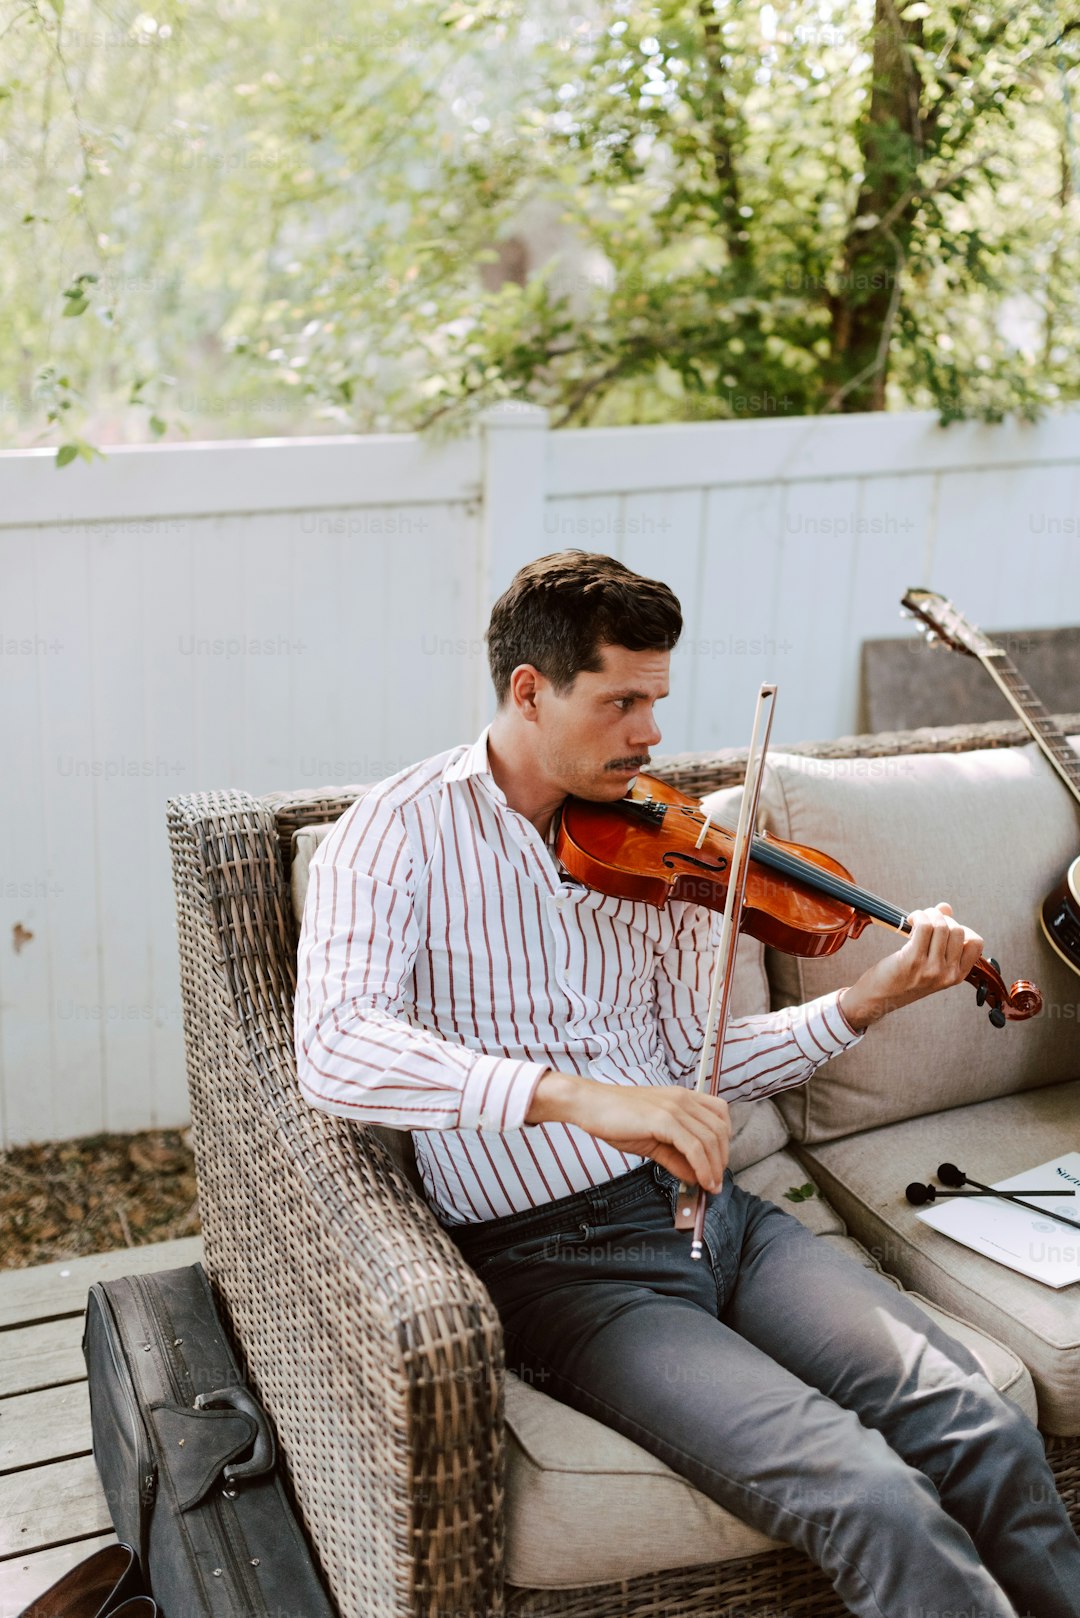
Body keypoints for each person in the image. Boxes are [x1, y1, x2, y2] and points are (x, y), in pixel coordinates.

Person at [294, 550, 1080, 1618]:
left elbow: (693, 1071)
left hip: (726, 1220)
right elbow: (335, 1047)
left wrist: (874, 997)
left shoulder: (652, 842)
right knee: (867, 1494)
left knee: (978, 1425)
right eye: (622, 701)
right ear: (529, 691)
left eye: (656, 700)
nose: (650, 733)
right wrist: (577, 1096)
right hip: (562, 1266)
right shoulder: (393, 838)